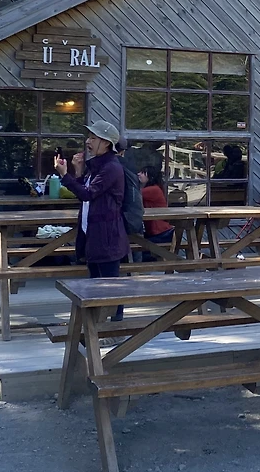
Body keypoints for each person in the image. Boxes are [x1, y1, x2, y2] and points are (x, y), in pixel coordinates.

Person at [55, 120, 128, 321]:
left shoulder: (111, 167)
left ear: (106, 143)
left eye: (93, 138)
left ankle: (115, 326)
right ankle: (96, 325)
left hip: (108, 235)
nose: (88, 141)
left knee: (110, 286)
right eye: (89, 137)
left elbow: (88, 194)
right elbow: (85, 192)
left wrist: (65, 175)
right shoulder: (97, 165)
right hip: (94, 233)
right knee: (95, 284)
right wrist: (78, 171)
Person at [138, 166, 173, 249]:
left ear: (150, 177)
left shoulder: (153, 190)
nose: (138, 174)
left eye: (143, 173)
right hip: (159, 232)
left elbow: (133, 193)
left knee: (137, 246)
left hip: (161, 233)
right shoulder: (155, 188)